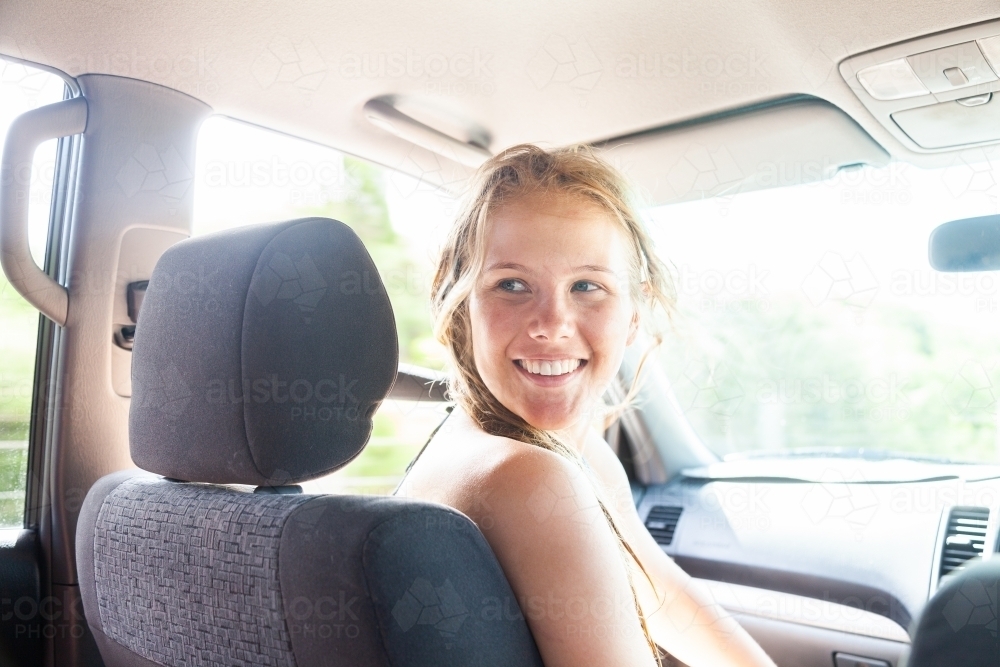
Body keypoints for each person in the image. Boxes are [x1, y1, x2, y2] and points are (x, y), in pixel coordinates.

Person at [395, 144, 776, 667]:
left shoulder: (559, 453)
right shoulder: (525, 474)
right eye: (512, 285)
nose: (552, 322)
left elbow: (661, 595)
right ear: (460, 306)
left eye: (587, 286)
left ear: (634, 315)